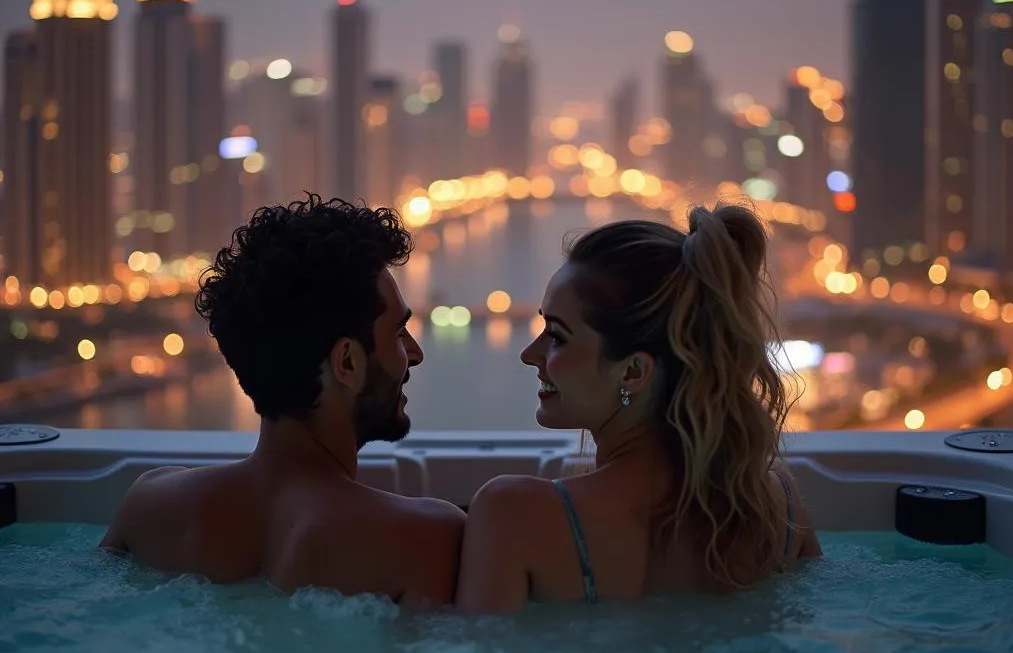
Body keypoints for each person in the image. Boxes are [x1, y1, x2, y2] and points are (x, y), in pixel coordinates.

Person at [456, 203, 821, 613]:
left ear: (632, 372)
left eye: (556, 336)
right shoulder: (779, 509)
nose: (529, 354)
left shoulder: (514, 514)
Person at [101, 195, 465, 605]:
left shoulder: (149, 504)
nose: (415, 352)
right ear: (347, 361)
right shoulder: (426, 537)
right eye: (399, 332)